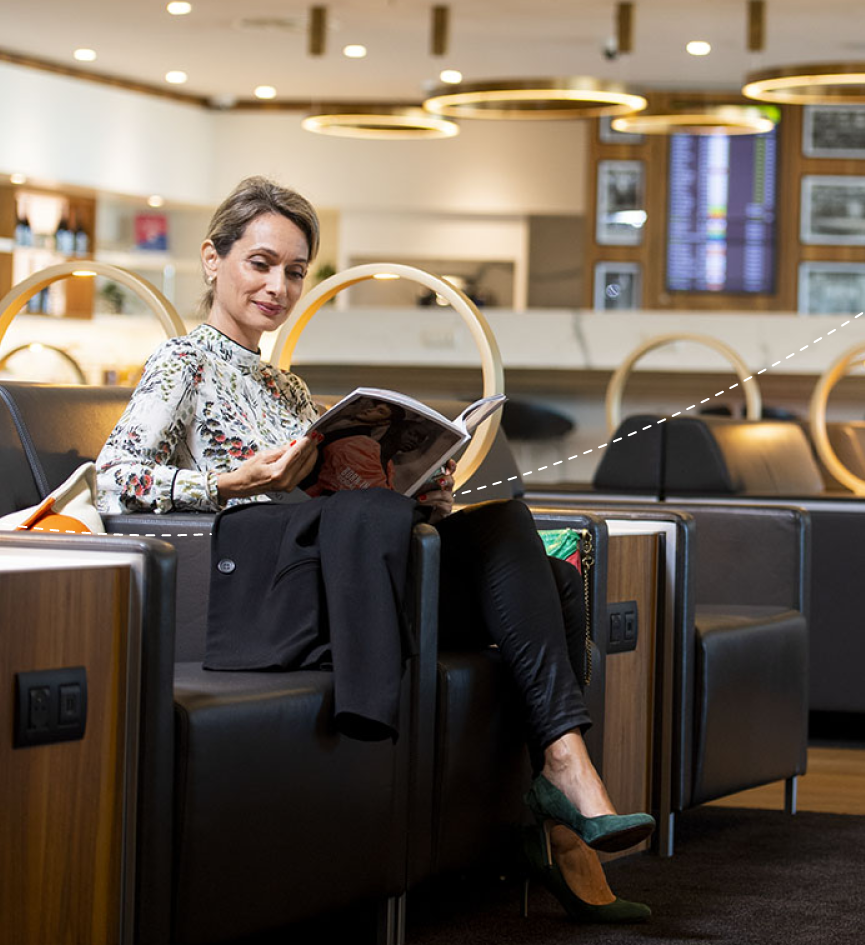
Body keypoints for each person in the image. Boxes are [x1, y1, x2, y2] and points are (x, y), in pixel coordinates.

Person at [96, 176, 654, 924]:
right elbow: (114, 479)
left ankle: (563, 776)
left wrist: (419, 483)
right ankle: (564, 809)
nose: (278, 286)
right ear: (212, 259)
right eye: (261, 263)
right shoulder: (182, 363)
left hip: (342, 567)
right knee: (467, 552)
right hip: (272, 586)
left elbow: (337, 490)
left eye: (294, 271)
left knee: (518, 543)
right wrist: (232, 480)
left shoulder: (289, 390)